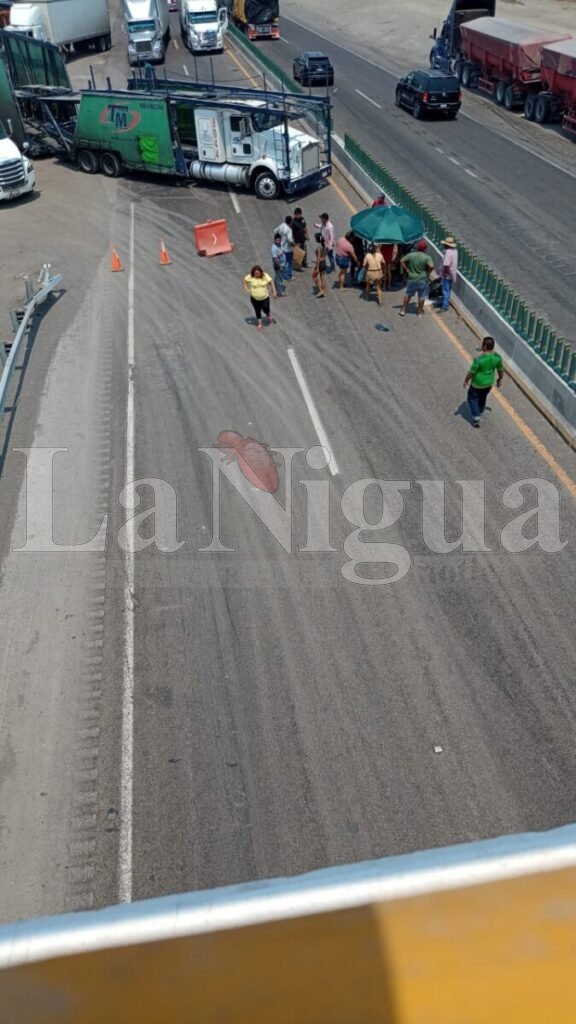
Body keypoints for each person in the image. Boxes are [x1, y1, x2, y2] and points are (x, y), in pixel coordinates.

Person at [464, 336, 504, 428]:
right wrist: (500, 379)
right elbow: (500, 370)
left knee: (472, 398)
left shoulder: (479, 359)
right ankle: (480, 410)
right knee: (483, 396)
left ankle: (476, 415)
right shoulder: (497, 357)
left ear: (485, 347)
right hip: (489, 383)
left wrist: (466, 380)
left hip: (477, 383)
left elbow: (471, 372)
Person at [399, 240, 434, 318]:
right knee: (421, 296)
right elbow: (431, 266)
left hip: (412, 278)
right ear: (425, 249)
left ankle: (403, 310)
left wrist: (407, 270)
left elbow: (402, 261)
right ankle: (419, 312)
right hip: (422, 279)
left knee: (408, 294)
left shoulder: (411, 255)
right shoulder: (427, 257)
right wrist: (427, 273)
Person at [243, 264, 276, 330]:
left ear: (261, 272)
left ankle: (268, 314)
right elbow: (244, 280)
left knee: (266, 308)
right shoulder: (250, 276)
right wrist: (246, 288)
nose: (256, 274)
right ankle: (260, 323)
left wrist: (274, 291)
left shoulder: (265, 275)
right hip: (254, 298)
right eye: (255, 273)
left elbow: (271, 282)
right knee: (257, 310)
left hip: (265, 298)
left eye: (258, 273)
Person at [437, 235, 458, 312]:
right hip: (452, 274)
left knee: (445, 290)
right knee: (448, 289)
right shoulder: (454, 251)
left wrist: (444, 273)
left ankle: (444, 306)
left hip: (447, 274)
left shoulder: (448, 252)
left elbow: (446, 264)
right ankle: (445, 303)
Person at [274, 215, 294, 281]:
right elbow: (290, 240)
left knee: (283, 262)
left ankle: (282, 275)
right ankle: (287, 276)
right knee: (289, 262)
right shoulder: (289, 229)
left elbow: (275, 231)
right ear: (290, 222)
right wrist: (294, 245)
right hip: (287, 249)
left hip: (280, 247)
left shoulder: (282, 225)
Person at [271, 233, 286, 297]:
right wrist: (280, 267)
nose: (278, 241)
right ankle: (280, 292)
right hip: (278, 266)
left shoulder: (280, 245)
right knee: (279, 279)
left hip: (282, 264)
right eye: (277, 240)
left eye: (279, 240)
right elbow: (275, 259)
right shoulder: (274, 248)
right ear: (274, 240)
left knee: (277, 278)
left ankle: (274, 288)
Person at [313, 233, 327, 297]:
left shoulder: (318, 247)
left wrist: (317, 267)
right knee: (322, 277)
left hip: (320, 263)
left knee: (314, 276)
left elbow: (318, 257)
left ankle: (321, 290)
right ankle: (324, 290)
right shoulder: (324, 246)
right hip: (324, 262)